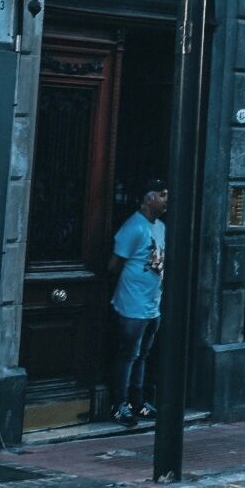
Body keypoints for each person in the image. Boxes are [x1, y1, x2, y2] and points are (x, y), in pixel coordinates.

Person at [109, 179, 167, 423]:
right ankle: (119, 404)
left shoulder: (161, 227)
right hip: (132, 305)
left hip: (152, 303)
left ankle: (138, 402)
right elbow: (114, 265)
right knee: (128, 355)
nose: (166, 200)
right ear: (149, 198)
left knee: (142, 355)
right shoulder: (133, 228)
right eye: (162, 195)